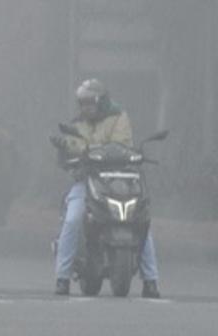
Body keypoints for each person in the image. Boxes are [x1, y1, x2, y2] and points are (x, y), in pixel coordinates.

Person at [50, 78, 160, 298]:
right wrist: (66, 148)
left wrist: (88, 149)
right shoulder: (77, 124)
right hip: (87, 180)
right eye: (82, 103)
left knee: (141, 222)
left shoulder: (119, 117)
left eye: (90, 102)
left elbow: (119, 144)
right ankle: (62, 277)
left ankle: (151, 280)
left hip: (121, 180)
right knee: (72, 219)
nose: (85, 107)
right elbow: (74, 147)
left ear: (101, 101)